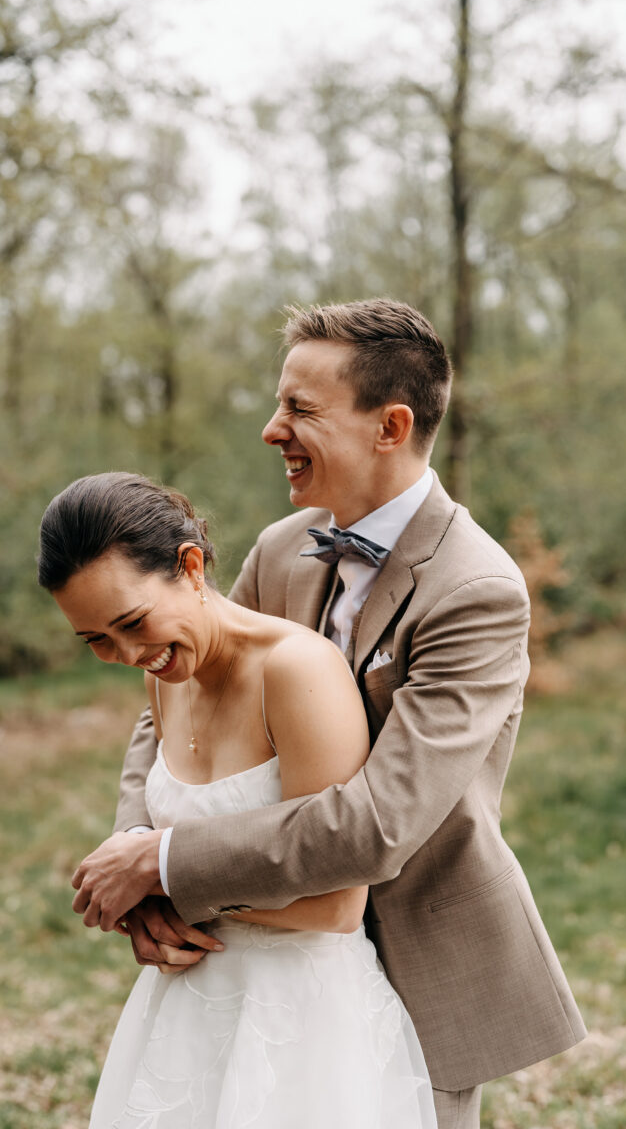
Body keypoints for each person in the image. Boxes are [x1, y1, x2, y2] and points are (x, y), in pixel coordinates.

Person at [69, 298, 587, 1129]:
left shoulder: (475, 590)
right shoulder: (282, 549)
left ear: (390, 426)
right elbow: (178, 694)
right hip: (259, 958)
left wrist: (172, 866)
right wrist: (138, 853)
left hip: (418, 962)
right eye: (279, 404)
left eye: (300, 409)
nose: (272, 429)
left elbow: (381, 822)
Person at [38, 471, 439, 1128]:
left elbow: (336, 906)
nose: (129, 653)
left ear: (190, 566)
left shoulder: (297, 671)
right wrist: (141, 889)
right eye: (97, 641)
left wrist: (157, 879)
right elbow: (151, 804)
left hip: (300, 1035)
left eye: (132, 622)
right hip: (181, 1024)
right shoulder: (167, 675)